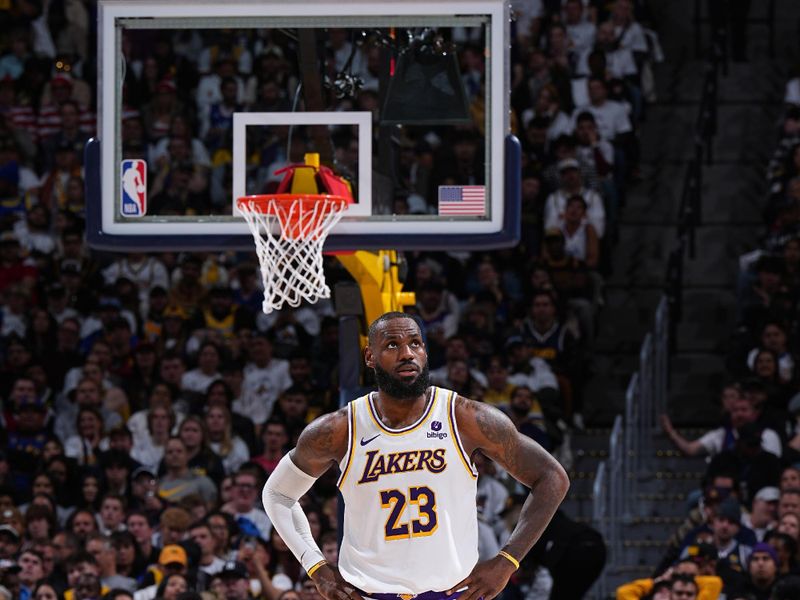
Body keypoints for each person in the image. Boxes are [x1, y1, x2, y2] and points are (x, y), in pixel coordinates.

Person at [262, 312, 569, 600]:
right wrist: (316, 567)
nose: (407, 353)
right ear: (370, 357)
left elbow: (552, 478)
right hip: (369, 593)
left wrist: (507, 560)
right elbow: (277, 493)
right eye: (392, 345)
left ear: (425, 352)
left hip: (453, 593)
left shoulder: (466, 418)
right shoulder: (339, 429)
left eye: (415, 343)